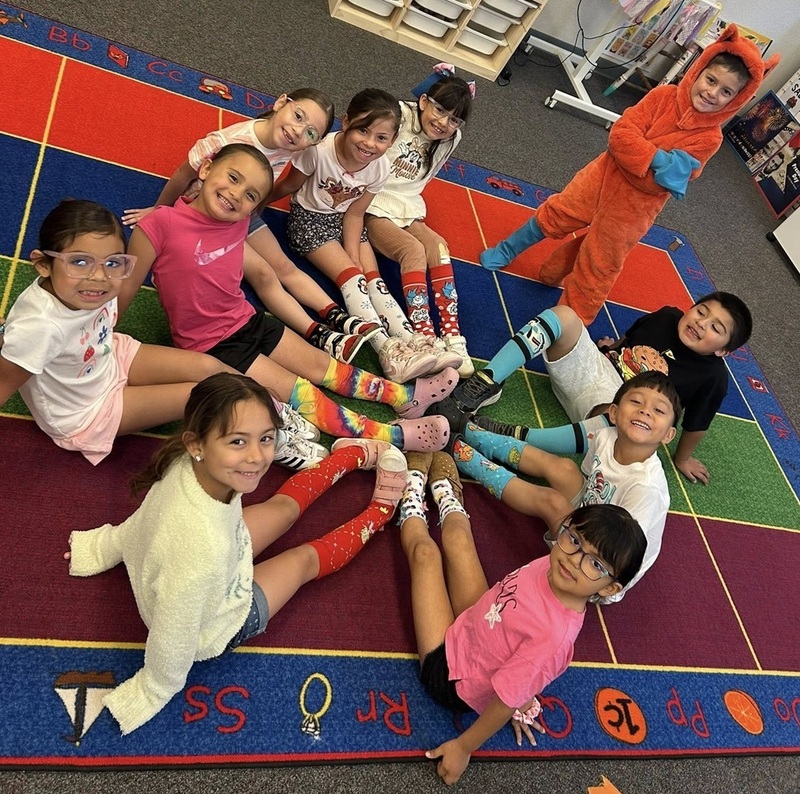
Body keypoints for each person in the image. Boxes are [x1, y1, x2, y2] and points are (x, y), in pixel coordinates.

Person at [66, 372, 410, 735]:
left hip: (218, 554)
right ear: (197, 443)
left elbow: (145, 523)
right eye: (238, 442)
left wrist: (107, 545)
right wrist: (155, 687)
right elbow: (174, 635)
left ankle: (348, 457)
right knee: (302, 561)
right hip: (223, 617)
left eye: (265, 439)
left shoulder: (187, 465)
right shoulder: (203, 553)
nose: (257, 457)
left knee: (283, 510)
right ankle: (382, 512)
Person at [122, 143, 454, 453]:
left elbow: (259, 271)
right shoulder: (159, 225)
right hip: (212, 345)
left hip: (248, 319)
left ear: (254, 207)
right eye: (232, 178)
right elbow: (126, 288)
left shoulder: (236, 222)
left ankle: (403, 396)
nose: (235, 195)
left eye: (250, 195)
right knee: (303, 392)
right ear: (206, 168)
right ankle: (395, 435)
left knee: (325, 367)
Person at [480, 25, 780, 325]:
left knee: (600, 263)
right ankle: (508, 249)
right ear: (699, 70)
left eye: (726, 91)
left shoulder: (710, 138)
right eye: (710, 80)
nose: (712, 93)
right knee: (555, 215)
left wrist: (646, 158)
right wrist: (660, 159)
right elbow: (621, 135)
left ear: (737, 100)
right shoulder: (663, 96)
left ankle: (569, 324)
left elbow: (657, 181)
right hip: (599, 178)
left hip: (634, 210)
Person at [398, 450, 645, 785]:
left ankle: (409, 495)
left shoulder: (552, 638)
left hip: (452, 674)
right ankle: (444, 491)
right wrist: (525, 696)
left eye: (596, 564)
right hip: (482, 616)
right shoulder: (559, 561)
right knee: (457, 537)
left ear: (609, 588)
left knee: (424, 555)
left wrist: (464, 747)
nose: (574, 560)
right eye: (574, 539)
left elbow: (502, 702)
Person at [120, 88, 380, 365]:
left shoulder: (289, 149)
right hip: (211, 211)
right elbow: (185, 173)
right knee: (265, 274)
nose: (297, 130)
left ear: (311, 144)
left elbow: (273, 187)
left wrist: (254, 208)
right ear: (281, 102)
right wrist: (161, 207)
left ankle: (333, 319)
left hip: (241, 212)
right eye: (298, 115)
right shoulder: (228, 141)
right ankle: (317, 332)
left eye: (310, 133)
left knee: (280, 269)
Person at [0, 199, 231, 464]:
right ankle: (271, 428)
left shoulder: (93, 287)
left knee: (209, 367)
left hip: (108, 355)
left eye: (112, 263)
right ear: (43, 264)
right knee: (205, 394)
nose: (99, 277)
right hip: (87, 414)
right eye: (79, 262)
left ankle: (272, 406)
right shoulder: (39, 327)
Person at [432, 294, 750, 484]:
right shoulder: (668, 315)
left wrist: (682, 459)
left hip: (612, 416)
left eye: (715, 328)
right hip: (591, 372)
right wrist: (615, 347)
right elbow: (632, 338)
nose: (700, 323)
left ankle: (506, 435)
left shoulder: (714, 379)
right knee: (565, 316)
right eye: (701, 312)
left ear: (724, 350)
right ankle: (477, 388)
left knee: (625, 420)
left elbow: (697, 424)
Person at [451, 371, 679, 603]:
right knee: (565, 468)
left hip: (600, 567)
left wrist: (577, 527)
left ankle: (461, 454)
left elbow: (622, 552)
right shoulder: (605, 437)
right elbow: (588, 478)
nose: (645, 410)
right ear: (613, 412)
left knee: (554, 503)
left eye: (658, 410)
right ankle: (471, 431)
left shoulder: (646, 488)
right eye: (636, 401)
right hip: (593, 514)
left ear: (669, 435)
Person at [270, 88, 440, 382]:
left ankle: (412, 341)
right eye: (363, 130)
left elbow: (355, 214)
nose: (370, 143)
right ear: (346, 122)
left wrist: (354, 252)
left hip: (345, 221)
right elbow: (287, 186)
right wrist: (257, 199)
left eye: (382, 138)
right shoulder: (319, 152)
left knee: (374, 280)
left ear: (392, 140)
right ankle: (387, 349)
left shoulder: (380, 166)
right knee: (353, 278)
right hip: (308, 222)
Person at [365, 65, 475, 377]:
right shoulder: (397, 115)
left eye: (454, 119)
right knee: (412, 251)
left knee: (438, 247)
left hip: (408, 204)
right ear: (424, 101)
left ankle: (452, 336)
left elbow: (421, 180)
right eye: (440, 110)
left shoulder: (451, 139)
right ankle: (424, 335)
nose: (444, 123)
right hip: (373, 200)